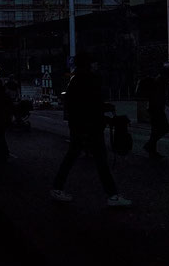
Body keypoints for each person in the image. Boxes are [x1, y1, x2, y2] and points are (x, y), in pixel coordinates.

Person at [50, 52, 132, 207]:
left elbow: (81, 104)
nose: (97, 66)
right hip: (90, 127)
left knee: (73, 156)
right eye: (94, 63)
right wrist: (105, 110)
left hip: (80, 126)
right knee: (101, 161)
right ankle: (112, 195)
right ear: (89, 64)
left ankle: (57, 187)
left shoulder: (75, 79)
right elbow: (91, 104)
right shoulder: (89, 80)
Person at [143, 64, 169, 159]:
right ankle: (150, 146)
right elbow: (157, 96)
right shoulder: (160, 82)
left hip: (154, 108)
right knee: (164, 128)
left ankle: (152, 151)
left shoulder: (158, 81)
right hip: (156, 109)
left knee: (155, 130)